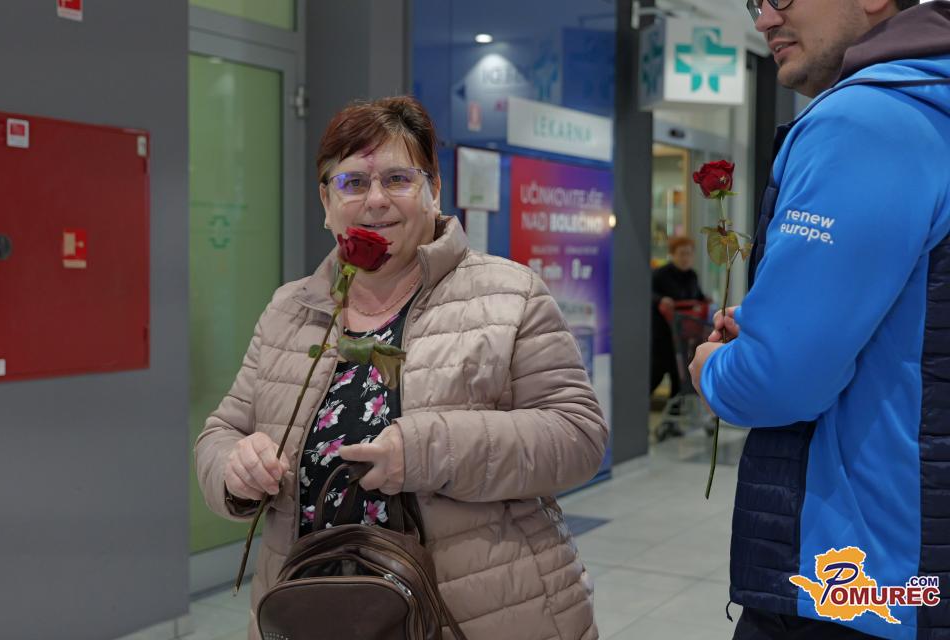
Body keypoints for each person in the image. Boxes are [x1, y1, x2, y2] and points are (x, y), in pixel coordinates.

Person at [195, 96, 609, 640]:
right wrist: (234, 469)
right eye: (352, 183)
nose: (375, 200)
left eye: (397, 179)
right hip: (313, 613)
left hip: (483, 616)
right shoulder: (288, 309)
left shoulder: (510, 294)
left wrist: (428, 450)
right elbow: (221, 432)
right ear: (325, 201)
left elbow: (578, 436)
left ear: (433, 190)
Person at [688, 1, 950, 638]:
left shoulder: (867, 121)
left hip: (857, 581)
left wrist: (715, 370)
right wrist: (774, 319)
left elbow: (778, 381)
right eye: (754, 2)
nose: (764, 20)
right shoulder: (931, 110)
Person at [650, 236, 707, 399]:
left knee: (680, 379)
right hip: (663, 335)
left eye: (688, 254)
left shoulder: (692, 276)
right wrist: (661, 300)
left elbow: (699, 297)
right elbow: (649, 294)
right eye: (681, 254)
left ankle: (676, 411)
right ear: (673, 254)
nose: (685, 258)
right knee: (655, 375)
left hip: (683, 338)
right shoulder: (660, 274)